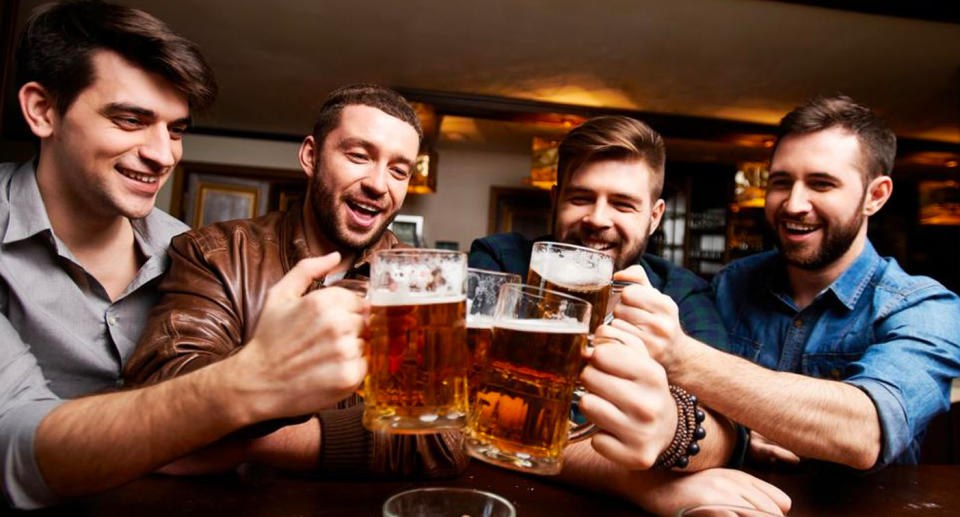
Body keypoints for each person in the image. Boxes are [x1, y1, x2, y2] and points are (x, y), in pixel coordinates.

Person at [1, 1, 368, 508]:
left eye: (176, 130)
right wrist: (247, 380)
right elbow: (10, 442)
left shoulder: (192, 249)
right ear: (42, 110)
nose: (163, 154)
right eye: (132, 120)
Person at [124, 83, 469, 478]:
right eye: (359, 156)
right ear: (310, 156)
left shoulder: (426, 283)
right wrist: (273, 365)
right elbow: (161, 402)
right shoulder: (214, 252)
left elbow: (444, 440)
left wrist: (247, 445)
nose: (378, 183)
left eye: (398, 170)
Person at [614, 95, 960, 470]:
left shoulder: (926, 308)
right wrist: (733, 436)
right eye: (781, 182)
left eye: (821, 184)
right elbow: (682, 410)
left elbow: (865, 431)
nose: (794, 204)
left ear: (875, 196)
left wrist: (681, 356)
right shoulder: (734, 282)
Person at [469, 115, 740, 470]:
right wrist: (642, 484)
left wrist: (671, 428)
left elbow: (729, 431)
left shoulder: (680, 292)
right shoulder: (500, 259)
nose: (597, 219)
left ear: (654, 217)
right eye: (581, 198)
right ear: (556, 200)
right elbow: (462, 403)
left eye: (622, 204)